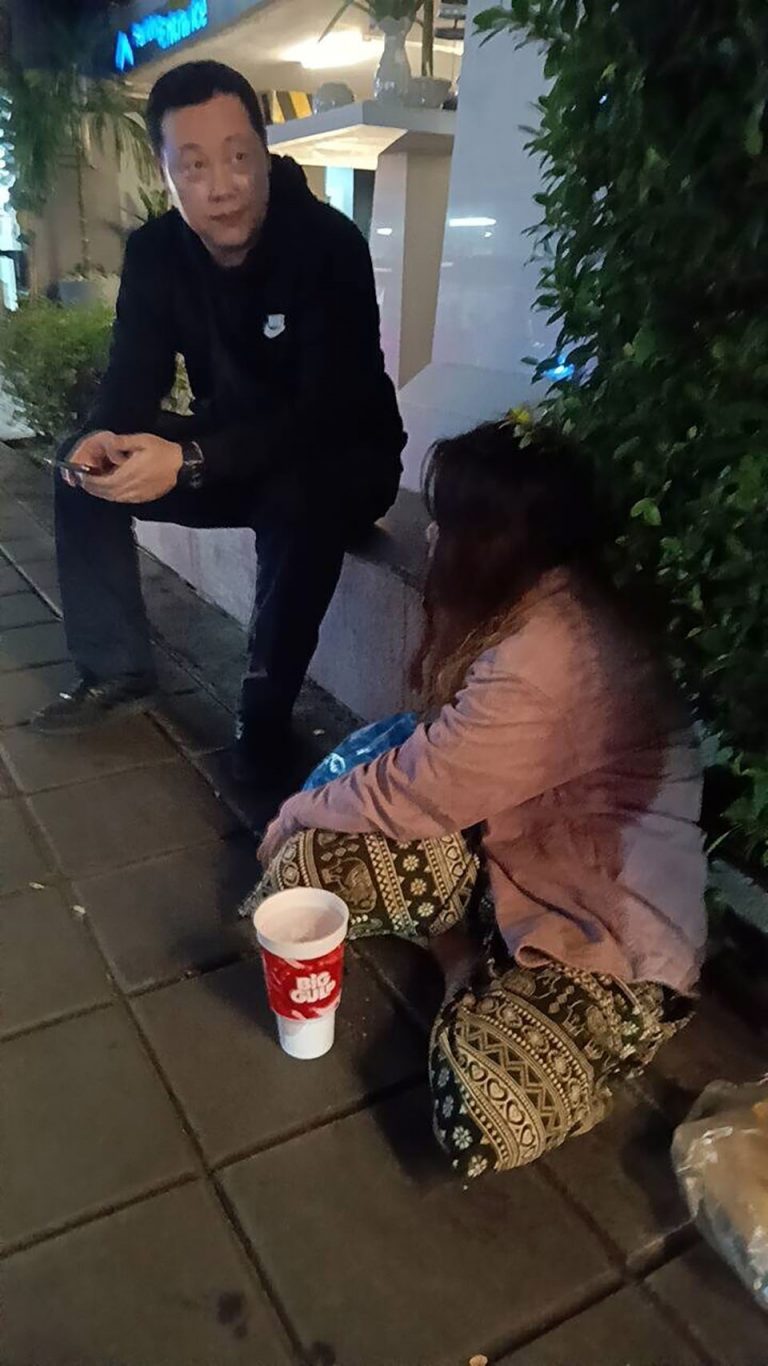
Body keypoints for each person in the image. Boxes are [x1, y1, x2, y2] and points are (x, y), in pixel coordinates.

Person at [249, 418, 707, 1178]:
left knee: (485, 1114)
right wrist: (309, 820)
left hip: (605, 936)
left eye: (446, 524)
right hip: (507, 861)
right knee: (305, 869)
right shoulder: (536, 605)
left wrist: (295, 807)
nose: (430, 539)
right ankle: (468, 952)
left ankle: (479, 973)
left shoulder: (551, 651)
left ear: (493, 545)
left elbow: (413, 790)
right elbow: (433, 769)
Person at [33, 61, 405, 780]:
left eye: (239, 156)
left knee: (299, 493)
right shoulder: (155, 252)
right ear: (166, 172)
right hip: (228, 448)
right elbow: (131, 381)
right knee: (80, 464)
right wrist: (103, 436)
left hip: (344, 460)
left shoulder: (328, 245)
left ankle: (264, 715)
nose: (222, 185)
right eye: (195, 165)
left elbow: (328, 412)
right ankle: (115, 670)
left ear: (264, 151)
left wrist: (193, 459)